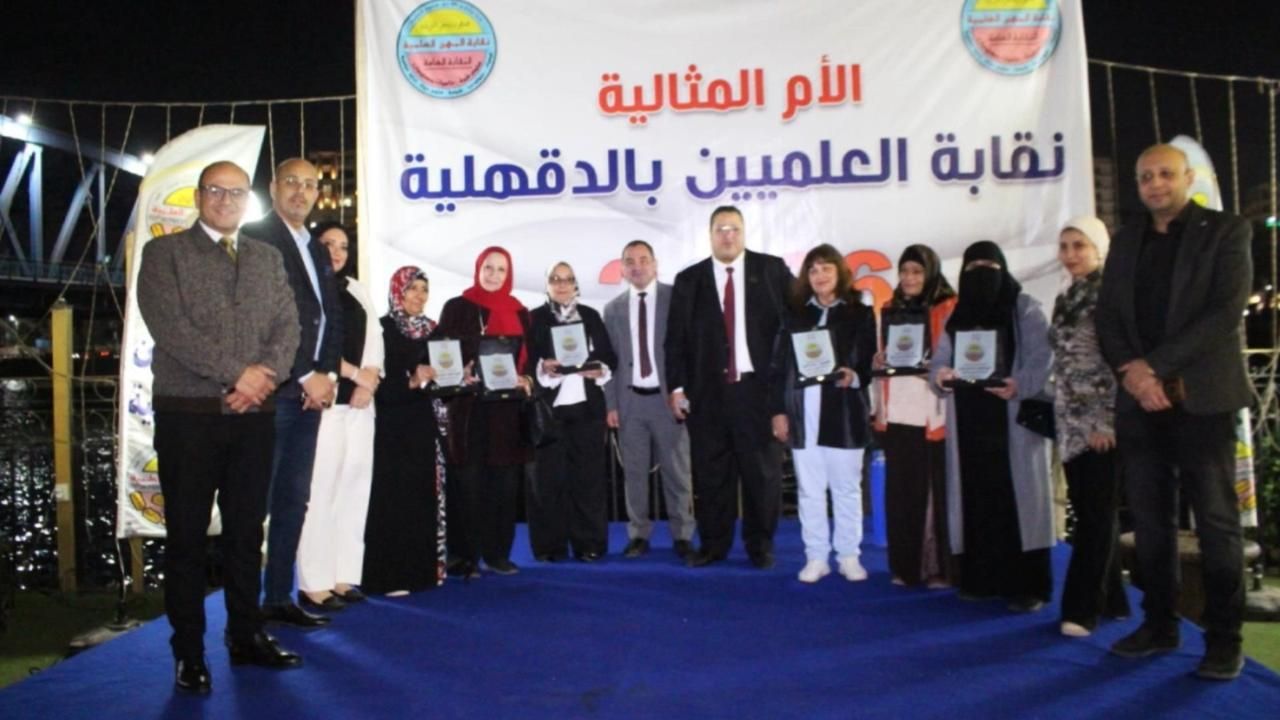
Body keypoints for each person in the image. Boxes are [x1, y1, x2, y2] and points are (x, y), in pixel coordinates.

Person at [137, 160, 302, 693]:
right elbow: (171, 329)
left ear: (248, 199)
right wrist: (239, 374)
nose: (226, 200)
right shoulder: (163, 254)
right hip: (189, 417)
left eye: (236, 192)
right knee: (186, 538)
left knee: (246, 534)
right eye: (216, 190)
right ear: (198, 196)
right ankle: (189, 652)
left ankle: (245, 635)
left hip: (254, 417)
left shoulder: (267, 257)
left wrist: (265, 376)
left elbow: (288, 326)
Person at [1095, 143, 1253, 680]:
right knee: (1149, 522)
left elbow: (1224, 313)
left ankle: (1224, 639)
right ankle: (1160, 623)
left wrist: (1153, 368)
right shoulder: (1126, 239)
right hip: (1141, 404)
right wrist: (1134, 375)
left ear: (1188, 178)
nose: (1155, 184)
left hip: (1202, 401)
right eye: (1145, 176)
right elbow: (1108, 317)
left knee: (1215, 522)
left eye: (1166, 174)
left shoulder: (1226, 231)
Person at [242, 158, 342, 629]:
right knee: (255, 502)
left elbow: (330, 314)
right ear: (273, 188)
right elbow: (265, 319)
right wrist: (304, 375)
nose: (301, 192)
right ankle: (243, 610)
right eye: (292, 183)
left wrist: (327, 375)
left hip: (310, 394)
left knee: (292, 500)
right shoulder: (256, 237)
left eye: (309, 185)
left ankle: (278, 597)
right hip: (274, 390)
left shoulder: (316, 247)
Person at [666, 206, 793, 569]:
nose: (728, 236)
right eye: (720, 229)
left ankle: (760, 546)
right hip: (708, 395)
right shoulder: (689, 280)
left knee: (762, 476)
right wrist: (676, 388)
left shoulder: (772, 271)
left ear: (744, 232)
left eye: (734, 228)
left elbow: (794, 326)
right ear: (710, 235)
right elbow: (675, 340)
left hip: (758, 394)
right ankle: (713, 545)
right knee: (711, 476)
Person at [932, 241, 1054, 613]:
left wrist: (1021, 384)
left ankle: (1028, 586)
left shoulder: (1024, 308)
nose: (981, 275)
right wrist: (941, 376)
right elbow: (938, 360)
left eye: (989, 266)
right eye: (973, 268)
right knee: (976, 499)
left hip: (1013, 421)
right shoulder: (958, 314)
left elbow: (1043, 356)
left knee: (1020, 503)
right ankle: (981, 579)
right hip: (970, 423)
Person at [770, 244, 877, 582]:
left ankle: (848, 555)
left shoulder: (860, 313)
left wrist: (854, 376)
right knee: (809, 490)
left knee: (846, 489)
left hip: (844, 412)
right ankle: (816, 556)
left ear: (840, 272)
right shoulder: (793, 316)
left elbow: (869, 362)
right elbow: (778, 368)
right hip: (803, 414)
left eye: (826, 268)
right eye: (813, 270)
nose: (819, 276)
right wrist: (778, 412)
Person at [1049, 217, 1131, 638]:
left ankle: (1082, 610)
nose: (1070, 254)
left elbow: (1121, 361)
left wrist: (1107, 421)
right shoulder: (1067, 297)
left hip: (1102, 424)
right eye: (1064, 246)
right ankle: (1113, 597)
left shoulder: (1110, 296)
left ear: (1099, 248)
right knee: (1093, 512)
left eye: (1079, 245)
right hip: (1070, 423)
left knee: (1095, 518)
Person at [296, 223, 383, 610]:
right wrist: (353, 374)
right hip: (325, 402)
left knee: (354, 490)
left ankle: (344, 575)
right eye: (328, 244)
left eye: (344, 246)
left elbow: (375, 340)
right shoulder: (306, 288)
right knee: (320, 492)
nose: (336, 252)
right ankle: (315, 582)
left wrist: (370, 381)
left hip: (360, 404)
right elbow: (309, 345)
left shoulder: (356, 289)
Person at [437, 246, 533, 576]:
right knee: (468, 483)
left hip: (507, 413)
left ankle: (497, 554)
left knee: (503, 485)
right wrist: (458, 370)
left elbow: (530, 361)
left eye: (501, 269)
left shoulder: (521, 313)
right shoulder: (457, 307)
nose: (494, 275)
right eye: (488, 268)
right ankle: (463, 556)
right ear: (478, 269)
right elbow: (442, 352)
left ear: (509, 274)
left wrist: (526, 378)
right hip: (468, 410)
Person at [604, 240, 696, 560]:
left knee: (677, 471)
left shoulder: (675, 299)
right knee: (634, 474)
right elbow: (609, 363)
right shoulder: (612, 309)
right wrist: (611, 404)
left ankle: (682, 535)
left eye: (644, 260)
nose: (637, 267)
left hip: (668, 400)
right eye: (630, 261)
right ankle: (638, 534)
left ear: (655, 265)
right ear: (622, 269)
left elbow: (688, 349)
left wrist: (685, 392)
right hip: (630, 402)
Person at [872, 244, 958, 588]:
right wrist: (878, 361)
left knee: (933, 493)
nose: (909, 278)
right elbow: (882, 356)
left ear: (930, 273)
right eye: (904, 271)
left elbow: (959, 358)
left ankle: (936, 568)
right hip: (897, 411)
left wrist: (936, 369)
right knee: (901, 493)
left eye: (917, 272)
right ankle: (905, 567)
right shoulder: (890, 309)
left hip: (932, 414)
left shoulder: (948, 308)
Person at [361, 266, 447, 595]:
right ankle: (389, 577)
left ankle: (422, 573)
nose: (419, 296)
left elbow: (444, 376)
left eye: (424, 289)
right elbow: (376, 382)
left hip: (424, 426)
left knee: (422, 498)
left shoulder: (434, 331)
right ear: (398, 291)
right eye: (412, 288)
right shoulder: (381, 329)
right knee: (392, 500)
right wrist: (410, 380)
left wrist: (458, 374)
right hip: (392, 427)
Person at [526, 262, 618, 561]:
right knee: (548, 483)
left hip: (587, 411)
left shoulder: (590, 316)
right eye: (556, 279)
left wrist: (599, 369)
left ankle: (589, 544)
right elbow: (525, 363)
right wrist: (543, 368)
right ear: (547, 285)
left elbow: (608, 357)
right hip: (549, 412)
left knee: (588, 481)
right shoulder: (534, 319)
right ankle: (550, 547)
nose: (562, 284)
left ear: (576, 284)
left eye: (568, 279)